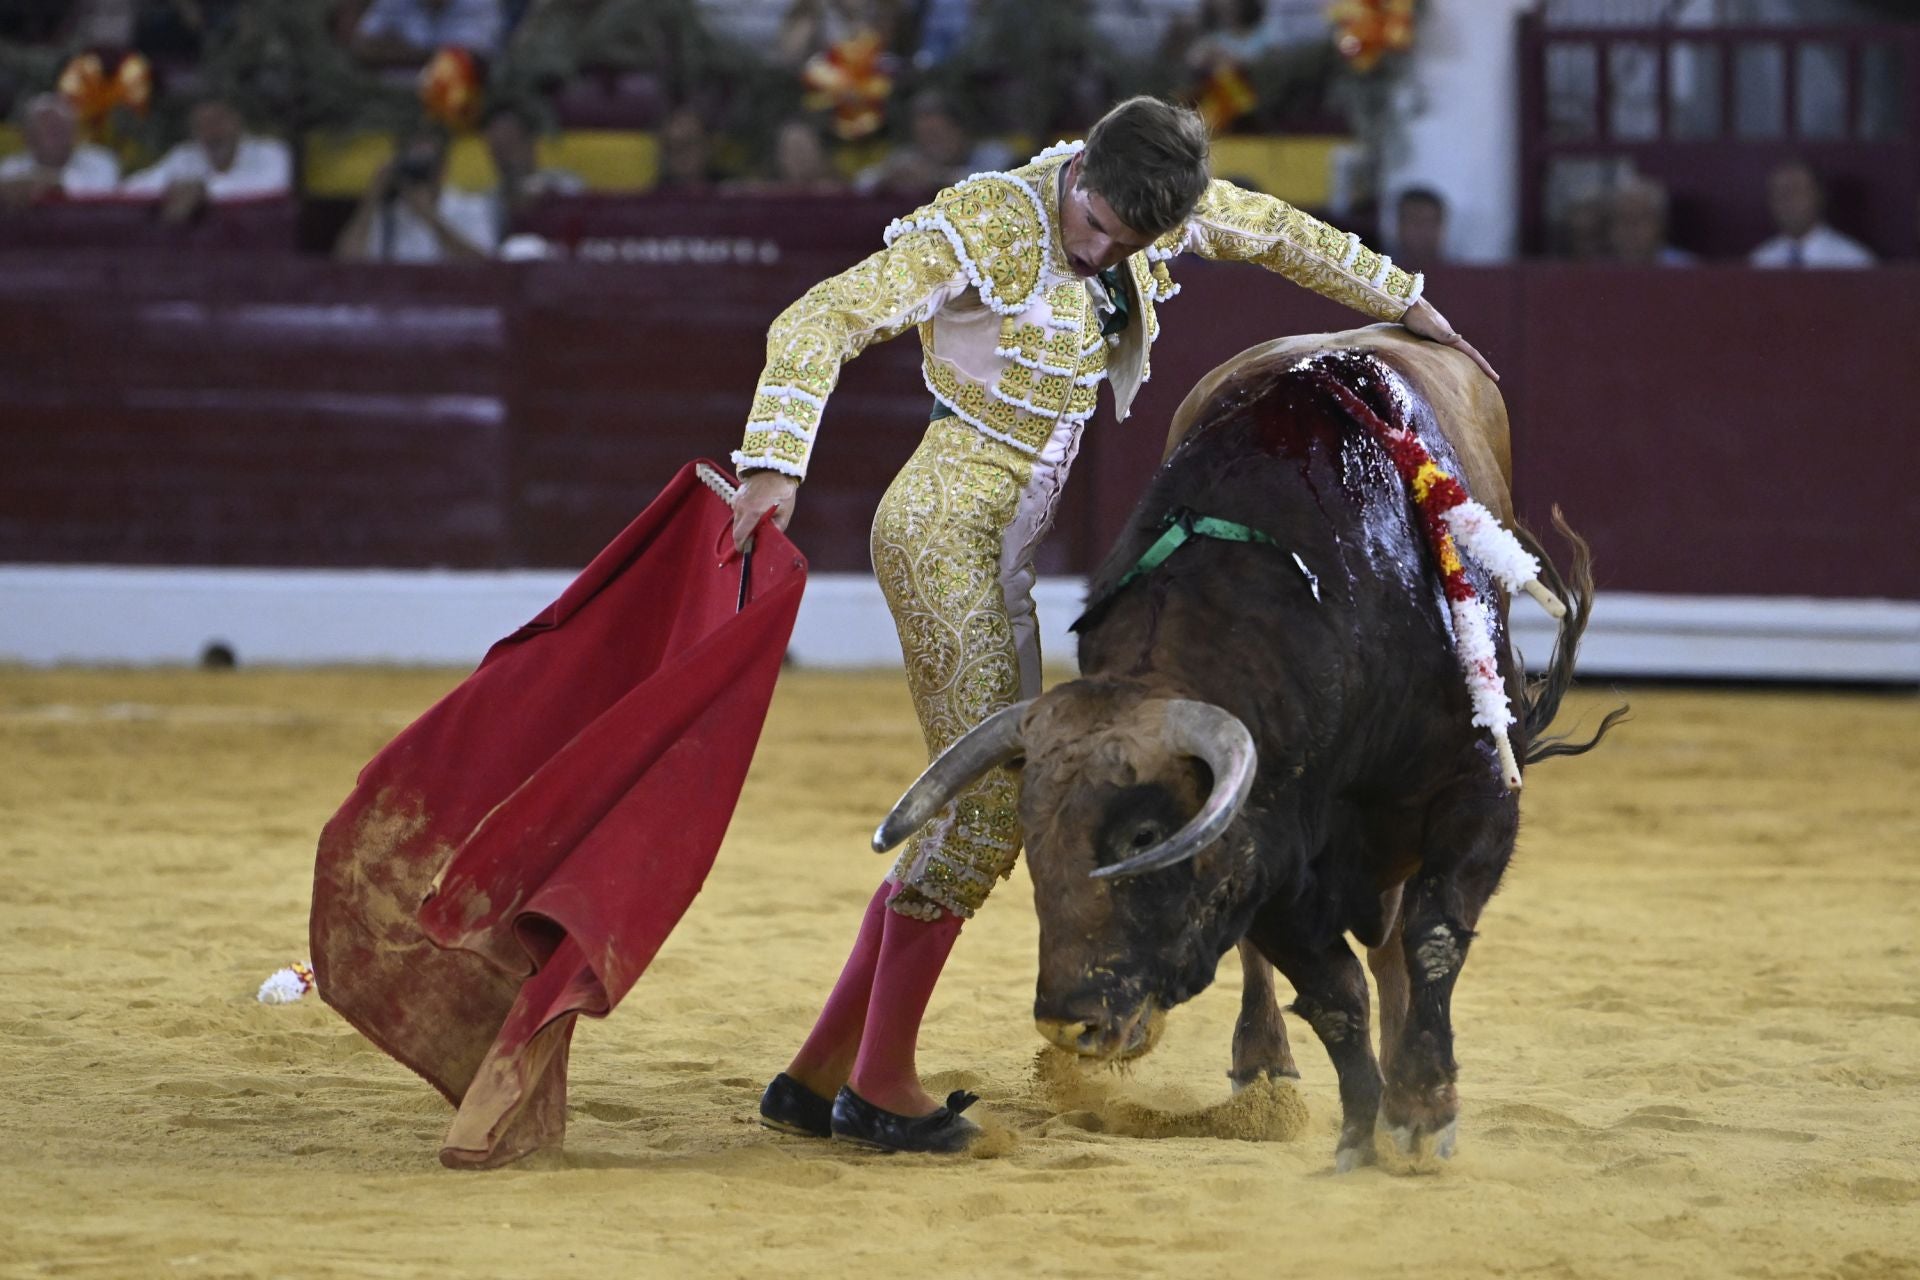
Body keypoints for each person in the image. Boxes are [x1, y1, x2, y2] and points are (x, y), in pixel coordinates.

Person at [727, 96, 1494, 1154]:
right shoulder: (987, 222)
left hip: (1004, 546)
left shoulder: (1143, 198)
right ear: (1077, 169)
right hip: (944, 529)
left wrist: (1410, 305)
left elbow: (1276, 230)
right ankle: (879, 1081)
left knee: (984, 807)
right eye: (1093, 229)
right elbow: (818, 319)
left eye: (1128, 244)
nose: (1102, 254)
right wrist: (774, 462)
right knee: (994, 811)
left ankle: (822, 1073)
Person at [334, 122, 497, 262]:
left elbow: (485, 267)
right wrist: (372, 197)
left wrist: (430, 217)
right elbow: (346, 263)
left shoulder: (469, 206)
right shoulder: (389, 212)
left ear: (442, 169)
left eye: (425, 165)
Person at [119, 95, 291, 222]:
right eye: (201, 126)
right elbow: (129, 190)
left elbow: (271, 191)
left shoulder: (271, 152)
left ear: (237, 121)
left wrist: (204, 191)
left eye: (217, 122)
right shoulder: (185, 156)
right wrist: (170, 189)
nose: (212, 133)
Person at [852, 90, 1013, 198]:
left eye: (937, 135)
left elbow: (997, 188)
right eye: (924, 137)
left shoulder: (992, 153)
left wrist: (936, 178)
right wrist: (887, 176)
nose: (931, 144)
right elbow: (862, 183)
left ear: (960, 130)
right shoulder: (909, 159)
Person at [483, 101, 583, 239]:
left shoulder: (565, 183)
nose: (505, 157)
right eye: (498, 149)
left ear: (530, 142)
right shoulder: (490, 202)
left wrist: (545, 196)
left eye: (511, 144)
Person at [1749, 159, 1873, 269]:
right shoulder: (1760, 261)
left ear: (1819, 196)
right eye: (1778, 193)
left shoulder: (1853, 261)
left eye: (1795, 190)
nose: (1786, 200)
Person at [0, 94, 120, 207]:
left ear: (74, 132)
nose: (56, 133)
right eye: (47, 127)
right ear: (28, 136)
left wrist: (51, 184)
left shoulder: (100, 161)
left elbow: (100, 199)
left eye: (61, 126)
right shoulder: (11, 167)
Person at [351, 0, 505, 62]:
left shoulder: (480, 3)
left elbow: (470, 60)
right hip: (388, 97)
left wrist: (395, 49)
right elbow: (362, 46)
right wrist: (434, 56)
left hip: (455, 102)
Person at [1607, 176, 1693, 267]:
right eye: (1622, 219)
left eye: (1638, 219)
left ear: (1660, 224)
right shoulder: (1599, 271)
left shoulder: (1687, 270)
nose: (1629, 228)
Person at [1391, 185, 1447, 267]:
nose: (1421, 230)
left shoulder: (1459, 275)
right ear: (1399, 225)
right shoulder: (1377, 272)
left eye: (1428, 222)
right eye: (1414, 221)